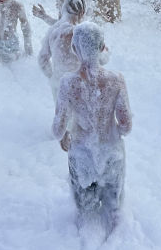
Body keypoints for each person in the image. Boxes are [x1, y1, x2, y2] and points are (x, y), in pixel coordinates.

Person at [52, 22, 133, 234]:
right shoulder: (116, 80)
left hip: (82, 155)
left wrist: (66, 133)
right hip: (111, 153)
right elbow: (125, 126)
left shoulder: (67, 83)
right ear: (102, 47)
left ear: (74, 48)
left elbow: (57, 130)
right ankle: (115, 238)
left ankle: (83, 239)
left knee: (85, 212)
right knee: (113, 209)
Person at [38, 0, 88, 101]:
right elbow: (101, 59)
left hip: (59, 83)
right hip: (80, 84)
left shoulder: (54, 30)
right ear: (82, 12)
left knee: (62, 116)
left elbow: (42, 60)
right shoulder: (84, 32)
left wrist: (52, 76)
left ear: (63, 9)